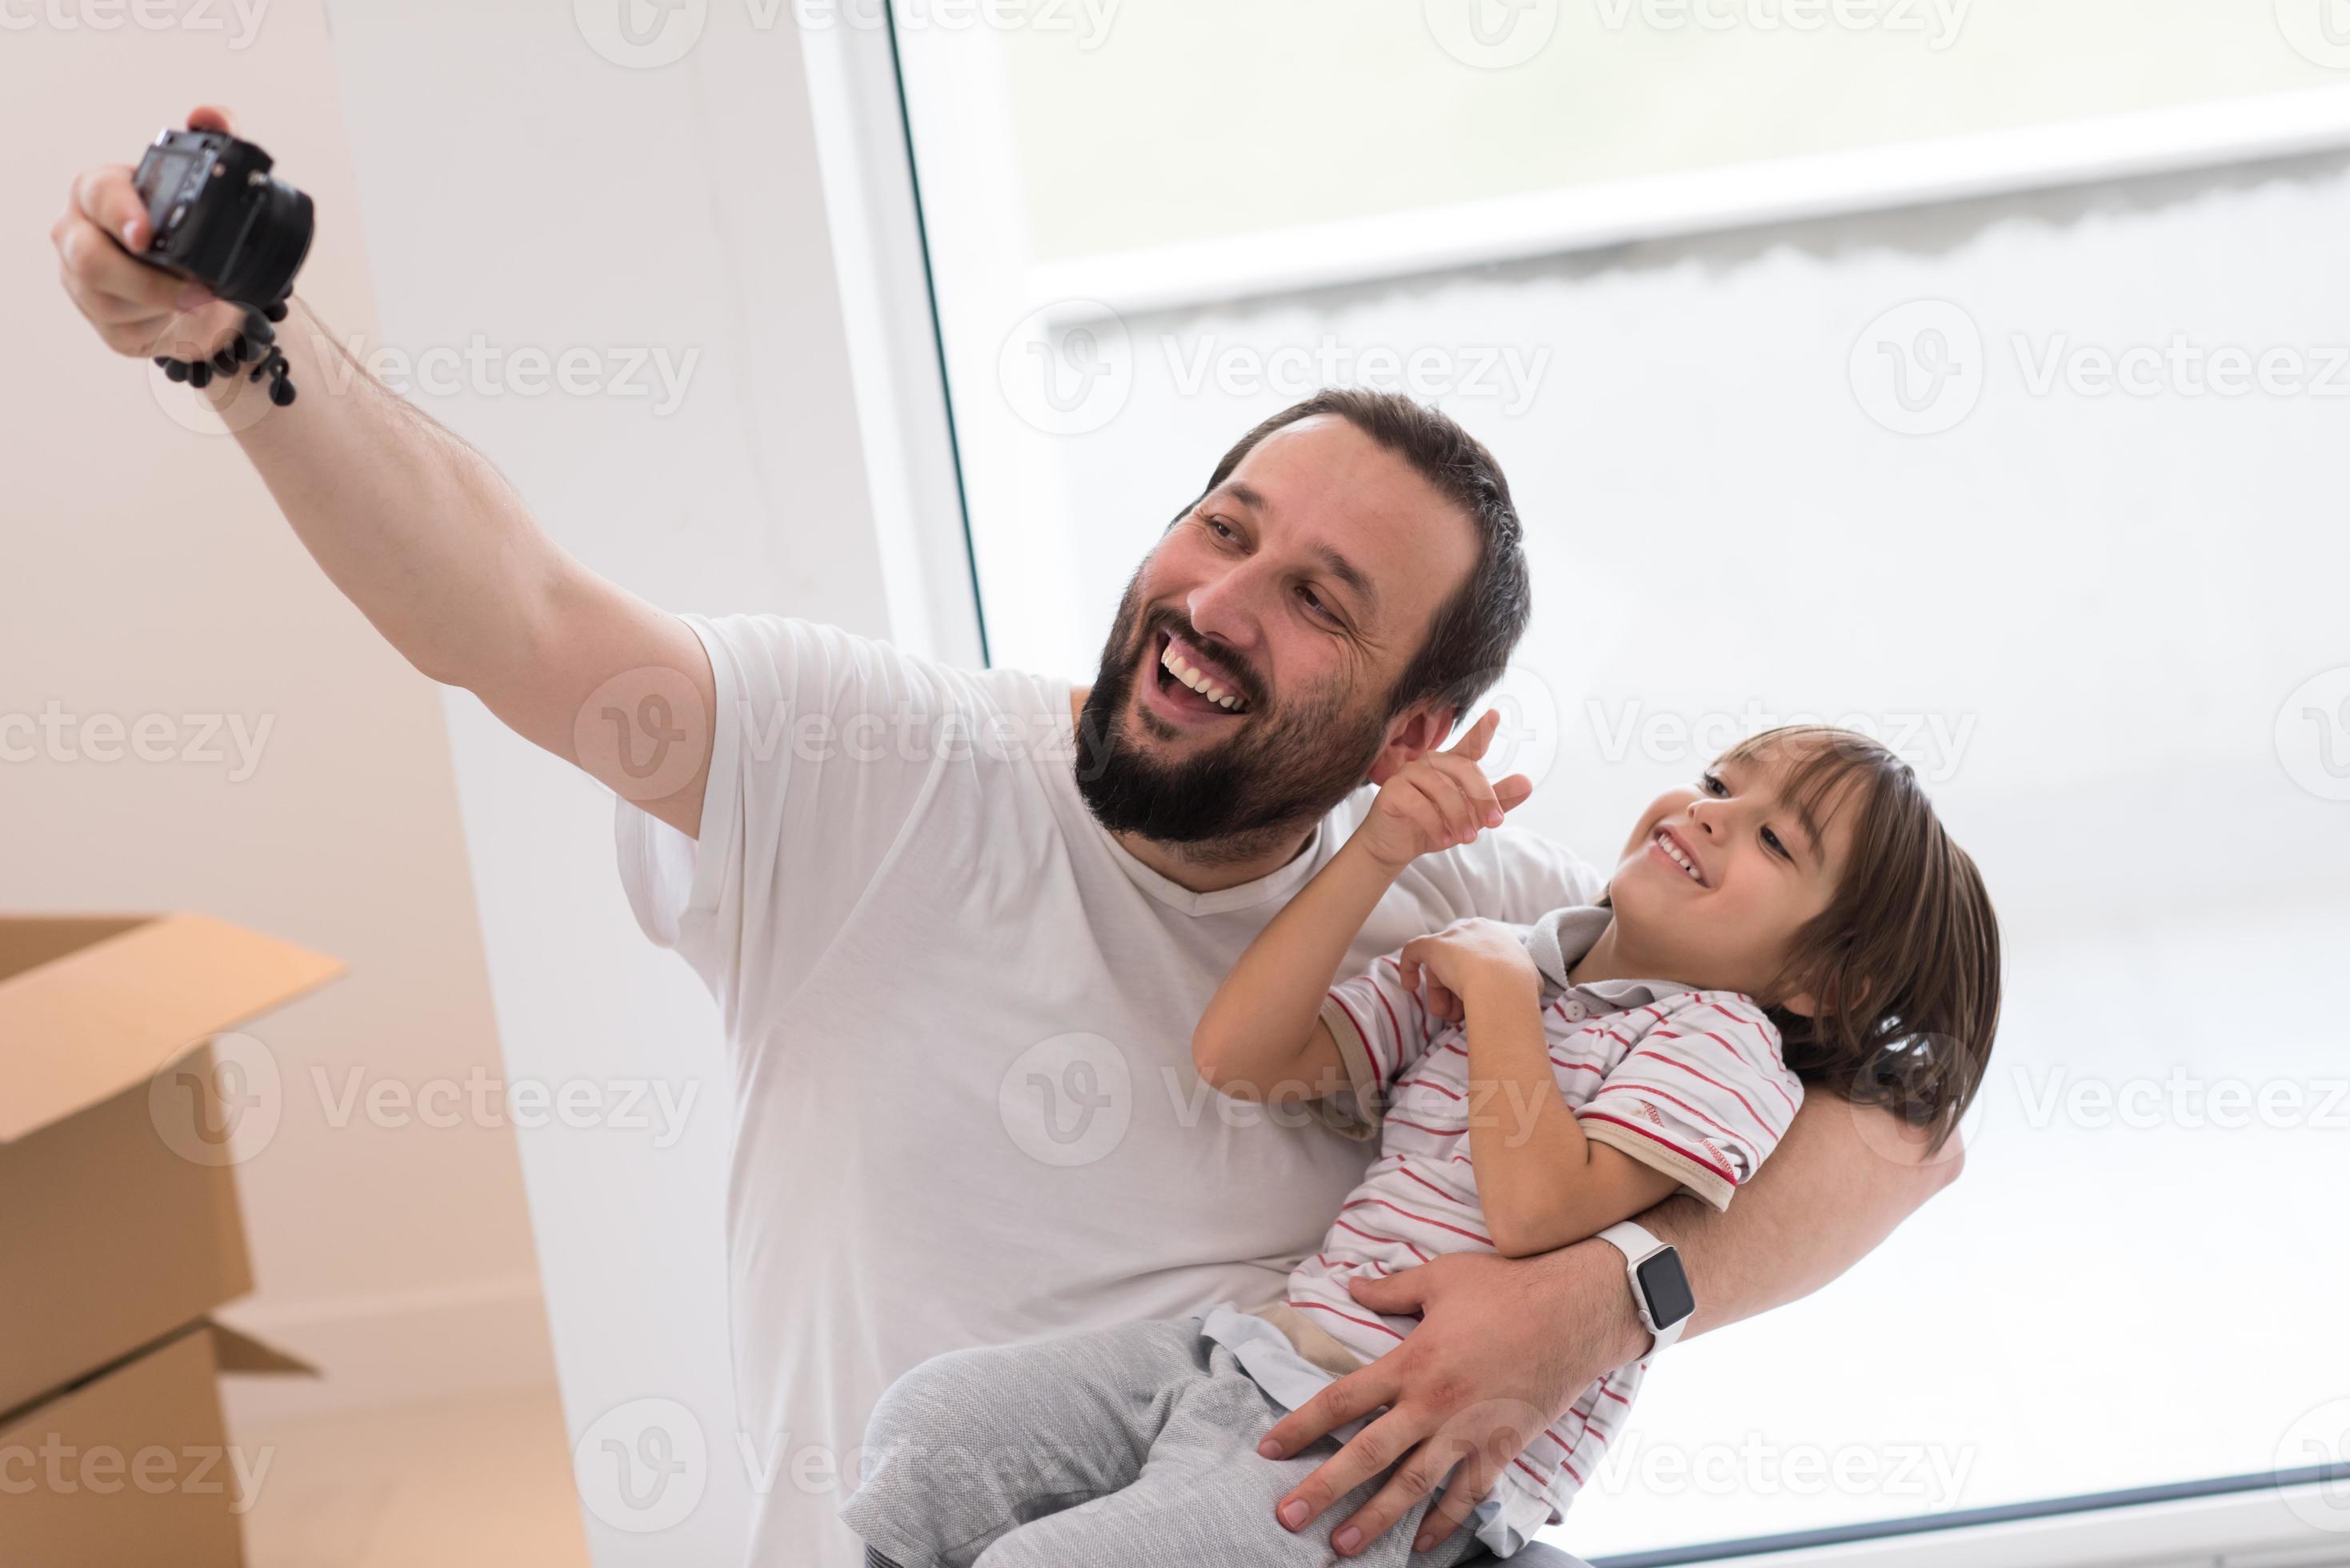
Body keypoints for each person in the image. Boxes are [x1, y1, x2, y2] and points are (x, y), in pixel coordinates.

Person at [54, 108, 1972, 1567]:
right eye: (1220, 527)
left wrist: (1601, 1303)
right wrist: (243, 351)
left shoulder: (1494, 921)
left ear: (1407, 732)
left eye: (1316, 595)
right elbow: (520, 620)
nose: (1221, 600)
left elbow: (1905, 1120)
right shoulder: (881, 767)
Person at [839, 722, 2000, 1564]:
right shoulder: (1511, 955)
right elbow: (1244, 1056)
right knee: (934, 1428)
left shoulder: (1719, 1043)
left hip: (1396, 1468)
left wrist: (1496, 993)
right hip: (1246, 1356)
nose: (1704, 814)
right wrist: (1379, 851)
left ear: (1818, 984)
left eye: (1773, 842)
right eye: (1714, 783)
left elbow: (1539, 1216)